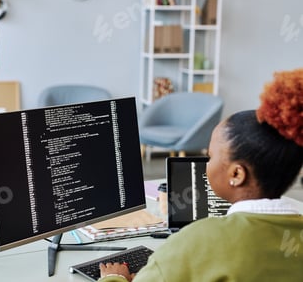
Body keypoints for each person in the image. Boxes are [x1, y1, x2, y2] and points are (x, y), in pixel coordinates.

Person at [99, 68, 303, 282]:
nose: (206, 162)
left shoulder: (198, 240)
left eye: (211, 156)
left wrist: (114, 277)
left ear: (236, 173)